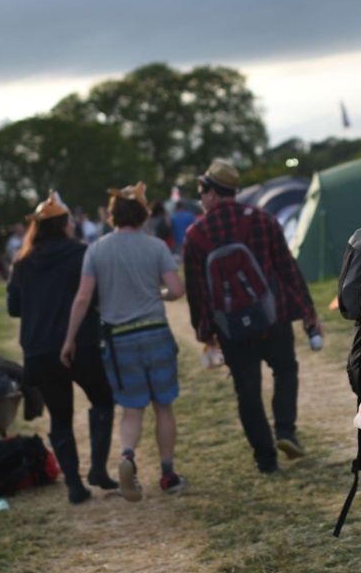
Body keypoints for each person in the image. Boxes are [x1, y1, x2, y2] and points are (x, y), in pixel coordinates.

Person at [181, 159, 321, 474]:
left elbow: (197, 290)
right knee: (285, 370)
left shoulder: (195, 235)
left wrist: (205, 330)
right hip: (273, 318)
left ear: (213, 193)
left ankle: (265, 459)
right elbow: (287, 268)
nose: (201, 198)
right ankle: (285, 430)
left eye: (202, 191)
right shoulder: (263, 219)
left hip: (230, 328)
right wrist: (307, 311)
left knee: (247, 392)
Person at [62, 183, 186, 498]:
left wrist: (69, 340)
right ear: (143, 214)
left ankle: (127, 456)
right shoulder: (156, 246)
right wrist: (155, 293)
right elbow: (176, 290)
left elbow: (82, 298)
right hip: (155, 331)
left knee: (132, 409)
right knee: (163, 406)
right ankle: (168, 474)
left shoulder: (96, 250)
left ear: (113, 215)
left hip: (119, 340)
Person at [9, 193, 117, 504]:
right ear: (63, 225)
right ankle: (97, 468)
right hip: (81, 343)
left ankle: (74, 484)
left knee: (60, 416)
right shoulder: (81, 253)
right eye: (69, 221)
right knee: (103, 400)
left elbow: (14, 308)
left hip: (39, 350)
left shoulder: (23, 262)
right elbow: (96, 298)